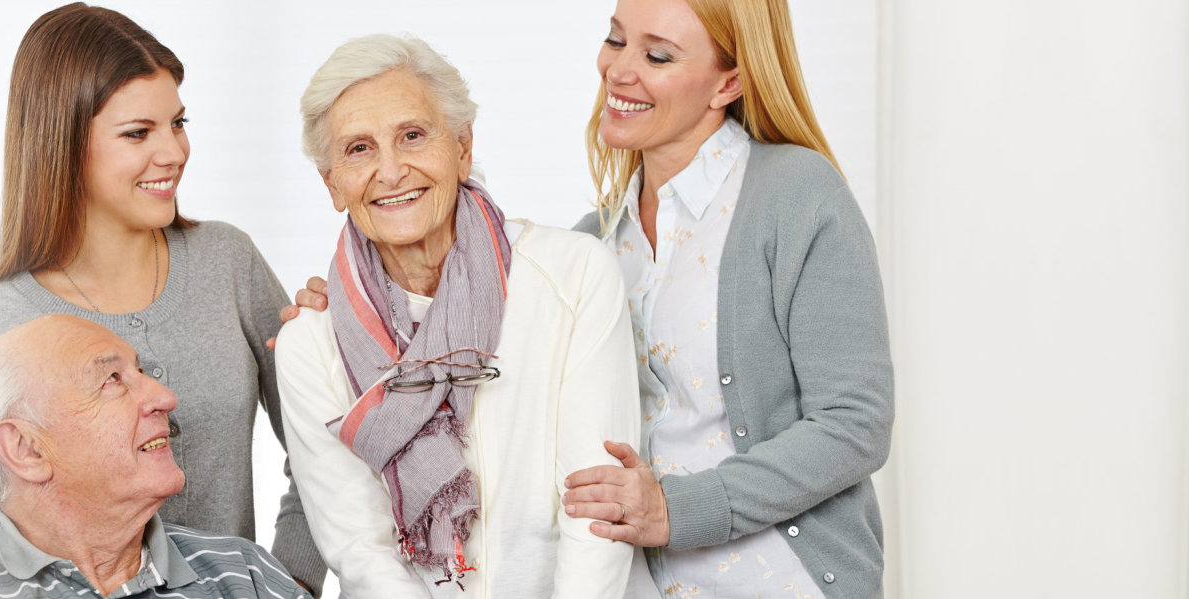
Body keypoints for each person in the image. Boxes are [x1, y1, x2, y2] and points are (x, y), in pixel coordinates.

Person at [279, 1, 894, 596]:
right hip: (651, 581)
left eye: (657, 55)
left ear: (728, 81)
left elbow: (855, 423)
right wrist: (358, 315)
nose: (619, 70)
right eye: (616, 38)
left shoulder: (795, 195)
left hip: (779, 578)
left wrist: (677, 508)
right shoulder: (596, 241)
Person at [0, 4, 323, 598]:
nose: (174, 152)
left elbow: (323, 448)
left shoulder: (226, 263)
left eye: (178, 123)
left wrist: (288, 581)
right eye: (138, 133)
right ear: (62, 144)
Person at [273, 34, 651, 598]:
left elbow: (595, 506)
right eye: (358, 150)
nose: (392, 170)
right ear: (332, 184)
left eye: (412, 136)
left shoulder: (575, 272)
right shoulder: (309, 343)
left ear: (462, 147)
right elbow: (360, 551)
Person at [0, 314, 312, 599]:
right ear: (27, 449)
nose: (165, 398)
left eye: (139, 371)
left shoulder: (245, 576)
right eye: (112, 380)